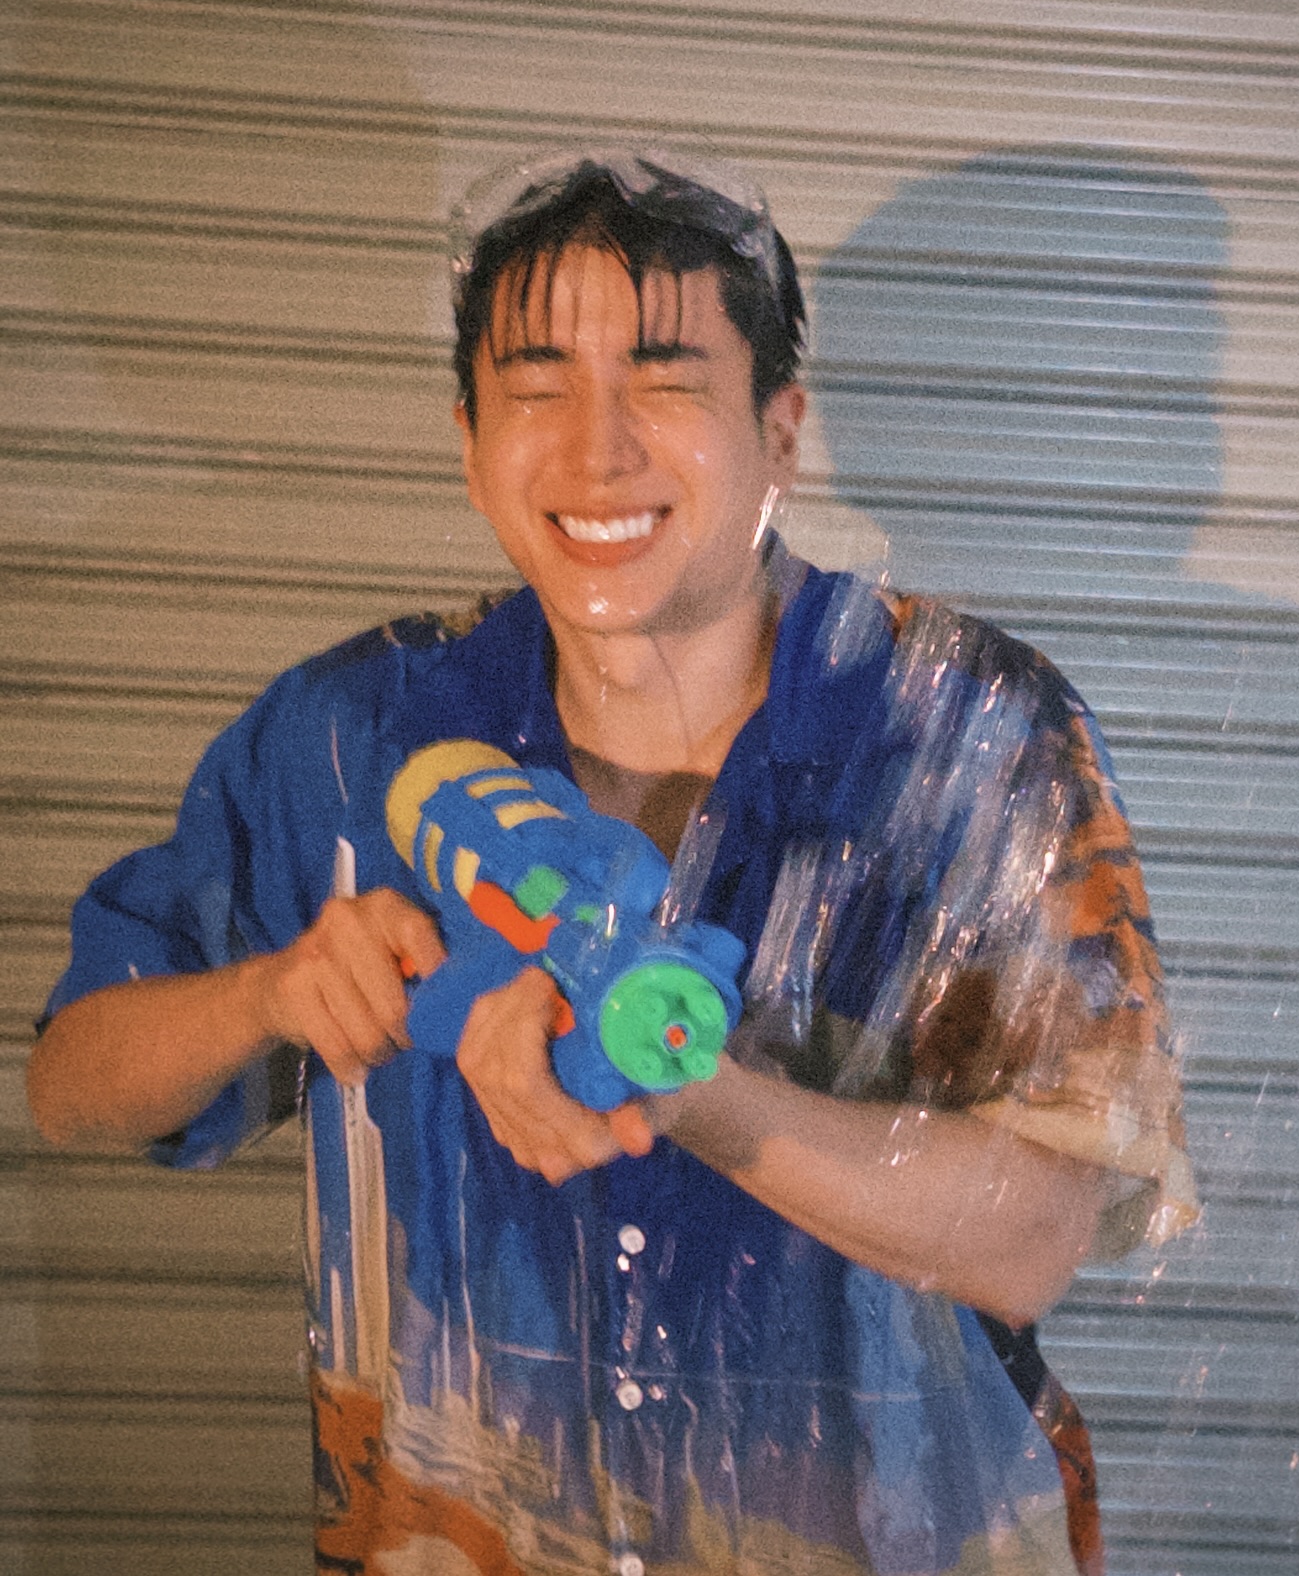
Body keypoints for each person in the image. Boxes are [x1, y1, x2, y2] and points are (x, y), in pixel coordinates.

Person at [29, 147, 1195, 1575]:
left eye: (664, 379)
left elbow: (1034, 1234)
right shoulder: (353, 737)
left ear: (780, 431)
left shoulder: (968, 735)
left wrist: (679, 1081)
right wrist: (271, 994)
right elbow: (72, 1088)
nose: (597, 452)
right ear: (469, 442)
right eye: (536, 387)